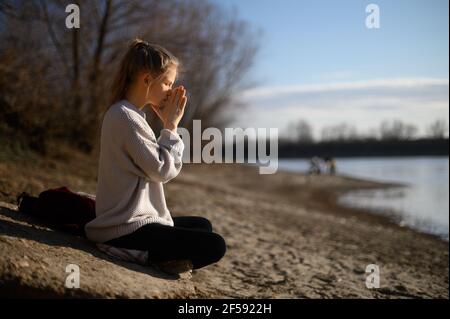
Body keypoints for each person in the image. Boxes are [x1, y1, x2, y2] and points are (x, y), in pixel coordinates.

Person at [84, 38, 226, 274]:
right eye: (168, 84)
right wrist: (170, 127)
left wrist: (167, 128)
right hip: (123, 229)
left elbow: (157, 166)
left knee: (203, 225)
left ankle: (162, 255)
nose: (171, 91)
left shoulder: (131, 115)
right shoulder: (126, 117)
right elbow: (161, 170)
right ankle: (148, 256)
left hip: (137, 220)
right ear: (147, 79)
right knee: (215, 245)